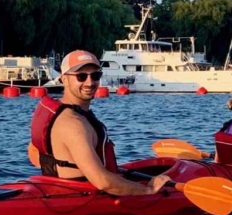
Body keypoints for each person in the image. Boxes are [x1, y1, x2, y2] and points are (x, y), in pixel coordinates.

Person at [31, 50, 171, 195]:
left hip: (57, 189)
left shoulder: (57, 112)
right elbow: (103, 182)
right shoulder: (73, 124)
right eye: (81, 76)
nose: (90, 82)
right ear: (64, 79)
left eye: (95, 75)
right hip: (80, 197)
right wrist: (149, 189)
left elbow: (34, 153)